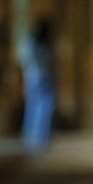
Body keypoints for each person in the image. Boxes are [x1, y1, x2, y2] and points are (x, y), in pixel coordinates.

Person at [17, 16, 56, 152]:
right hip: (43, 76)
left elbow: (21, 58)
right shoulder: (43, 42)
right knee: (43, 107)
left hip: (31, 77)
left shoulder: (28, 41)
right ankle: (40, 137)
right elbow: (50, 59)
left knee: (32, 106)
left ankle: (30, 135)